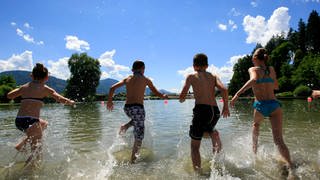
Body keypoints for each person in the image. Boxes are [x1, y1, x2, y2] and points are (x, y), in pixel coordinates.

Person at [230, 48, 294, 170]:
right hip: (274, 105)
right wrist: (267, 81)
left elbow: (253, 80)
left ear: (255, 58)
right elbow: (276, 86)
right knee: (279, 140)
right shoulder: (271, 69)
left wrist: (237, 94)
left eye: (252, 56)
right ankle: (291, 167)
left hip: (261, 105)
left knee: (256, 125)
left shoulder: (252, 69)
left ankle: (254, 152)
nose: (251, 58)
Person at [7, 63, 75, 165]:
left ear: (31, 76)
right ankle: (29, 174)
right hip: (31, 121)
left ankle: (21, 145)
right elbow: (60, 99)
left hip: (19, 120)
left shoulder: (24, 87)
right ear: (47, 77)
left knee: (44, 124)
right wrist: (70, 102)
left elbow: (9, 96)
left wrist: (21, 89)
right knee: (36, 153)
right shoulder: (45, 88)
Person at [107, 60, 168, 163]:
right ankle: (133, 162)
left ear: (133, 69)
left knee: (138, 119)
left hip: (127, 108)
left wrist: (109, 102)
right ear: (142, 69)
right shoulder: (146, 79)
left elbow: (112, 88)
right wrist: (163, 96)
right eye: (144, 69)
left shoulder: (127, 79)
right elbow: (156, 92)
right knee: (139, 137)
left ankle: (125, 126)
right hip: (138, 108)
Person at [179, 53, 230, 173]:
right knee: (207, 130)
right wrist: (226, 107)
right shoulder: (213, 76)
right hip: (214, 111)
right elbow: (224, 89)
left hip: (201, 110)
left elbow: (182, 96)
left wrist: (182, 99)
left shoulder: (191, 76)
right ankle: (217, 158)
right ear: (206, 65)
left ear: (193, 66)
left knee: (194, 146)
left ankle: (198, 174)